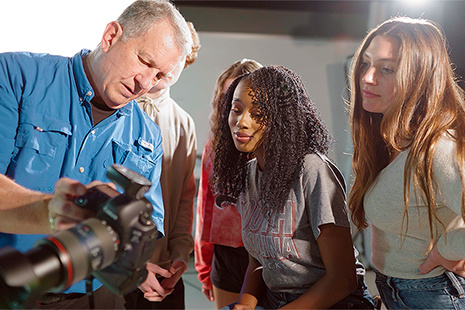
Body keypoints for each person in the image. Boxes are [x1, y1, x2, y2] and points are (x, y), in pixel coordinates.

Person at [0, 0, 193, 308]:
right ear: (111, 36)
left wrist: (136, 267)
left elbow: (147, 224)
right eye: (145, 61)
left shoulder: (147, 136)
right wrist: (54, 210)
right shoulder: (16, 77)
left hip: (93, 299)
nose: (145, 83)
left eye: (159, 76)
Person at [212, 65, 374, 309]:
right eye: (236, 110)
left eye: (257, 113)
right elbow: (259, 260)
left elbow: (343, 279)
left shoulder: (311, 170)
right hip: (276, 298)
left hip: (334, 301)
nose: (241, 122)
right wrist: (244, 304)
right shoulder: (248, 175)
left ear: (282, 119)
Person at [348, 16, 465, 309]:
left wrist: (449, 251)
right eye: (366, 63)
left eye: (387, 69)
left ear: (420, 78)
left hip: (432, 292)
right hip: (396, 289)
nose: (368, 77)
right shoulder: (390, 138)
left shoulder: (438, 147)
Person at [124, 21, 200, 309]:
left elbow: (183, 196)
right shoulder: (119, 105)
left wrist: (181, 252)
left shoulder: (183, 123)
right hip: (115, 267)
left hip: (164, 267)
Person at [194, 59, 263, 309]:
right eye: (228, 98)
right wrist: (204, 267)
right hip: (227, 256)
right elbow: (206, 211)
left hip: (268, 254)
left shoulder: (276, 152)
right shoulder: (214, 149)